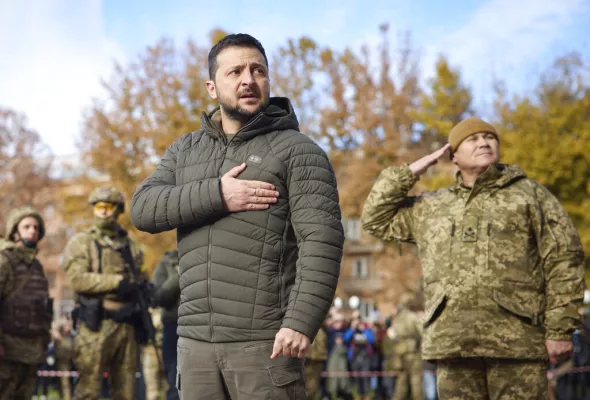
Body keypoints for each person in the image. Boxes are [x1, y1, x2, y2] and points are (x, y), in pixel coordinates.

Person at [130, 33, 344, 399]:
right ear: (212, 87)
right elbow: (144, 209)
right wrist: (218, 194)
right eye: (236, 72)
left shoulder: (299, 151)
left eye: (258, 70)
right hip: (194, 346)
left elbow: (321, 242)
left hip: (265, 345)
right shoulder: (185, 150)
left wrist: (300, 323)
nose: (249, 79)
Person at [361, 117, 585, 399]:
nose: (483, 142)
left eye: (489, 137)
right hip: (454, 344)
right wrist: (412, 170)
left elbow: (565, 259)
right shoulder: (432, 207)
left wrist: (560, 329)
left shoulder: (529, 195)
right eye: (473, 139)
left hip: (517, 343)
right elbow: (374, 219)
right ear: (453, 155)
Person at [61, 187, 146, 400]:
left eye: (108, 207)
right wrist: (116, 282)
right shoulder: (82, 242)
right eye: (99, 207)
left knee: (126, 391)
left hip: (126, 324)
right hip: (95, 325)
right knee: (88, 390)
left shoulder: (130, 245)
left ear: (118, 210)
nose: (104, 212)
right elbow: (78, 279)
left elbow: (140, 280)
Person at [0, 206, 52, 400]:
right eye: (27, 226)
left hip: (31, 350)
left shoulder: (36, 266)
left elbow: (43, 307)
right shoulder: (4, 261)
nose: (33, 231)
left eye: (36, 228)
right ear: (14, 232)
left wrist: (45, 338)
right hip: (7, 350)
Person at [152, 249, 181, 400]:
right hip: (173, 325)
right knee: (174, 378)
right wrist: (176, 277)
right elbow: (159, 298)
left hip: (199, 324)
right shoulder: (166, 264)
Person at [391, 293, 422, 400]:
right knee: (416, 380)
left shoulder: (397, 318)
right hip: (411, 351)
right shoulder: (412, 317)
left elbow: (393, 333)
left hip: (399, 351)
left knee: (401, 380)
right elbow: (421, 331)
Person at [305, 324, 328, 400]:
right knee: (308, 386)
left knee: (313, 386)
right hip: (308, 361)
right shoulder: (308, 330)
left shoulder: (320, 331)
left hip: (316, 361)